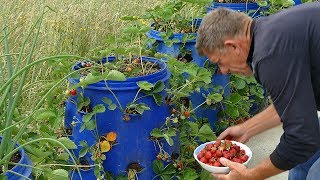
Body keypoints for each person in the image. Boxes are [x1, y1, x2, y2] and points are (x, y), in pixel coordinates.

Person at [195, 2, 320, 180]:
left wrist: (251, 175)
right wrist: (247, 129)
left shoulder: (269, 56)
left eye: (219, 62)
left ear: (232, 46)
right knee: (304, 163)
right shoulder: (269, 35)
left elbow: (302, 138)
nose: (223, 71)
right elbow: (291, 100)